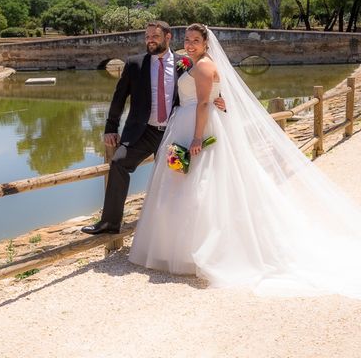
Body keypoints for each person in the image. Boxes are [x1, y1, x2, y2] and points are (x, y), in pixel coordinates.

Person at [129, 24, 361, 298]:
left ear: (206, 43)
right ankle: (184, 248)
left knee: (201, 186)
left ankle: (200, 251)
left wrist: (196, 138)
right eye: (187, 40)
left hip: (196, 126)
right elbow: (215, 96)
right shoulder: (198, 63)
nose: (189, 44)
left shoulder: (203, 66)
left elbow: (204, 103)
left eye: (195, 40)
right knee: (195, 185)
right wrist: (220, 102)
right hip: (190, 122)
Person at [82, 21, 225, 235]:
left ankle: (174, 231)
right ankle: (110, 223)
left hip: (173, 132)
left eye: (154, 36)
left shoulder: (185, 63)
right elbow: (119, 98)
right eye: (147, 36)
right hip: (143, 132)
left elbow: (204, 88)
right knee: (119, 163)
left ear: (167, 37)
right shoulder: (134, 64)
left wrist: (220, 99)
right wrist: (111, 127)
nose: (150, 40)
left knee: (177, 178)